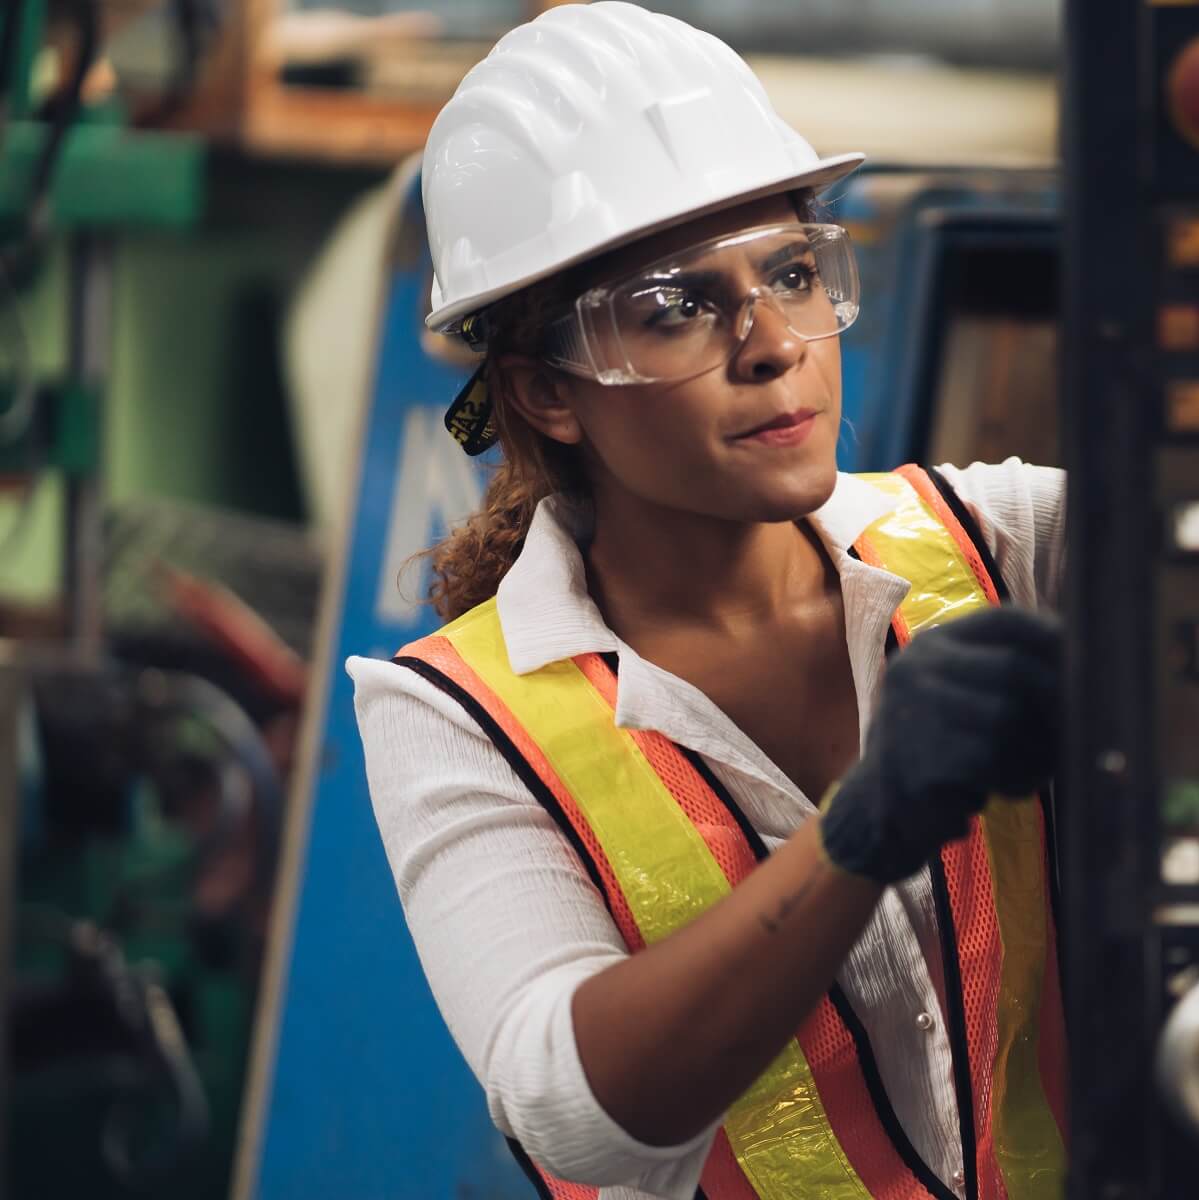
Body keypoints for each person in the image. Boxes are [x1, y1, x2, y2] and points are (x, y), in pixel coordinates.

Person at [348, 5, 1068, 1198]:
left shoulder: (1005, 543)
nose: (771, 343)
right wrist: (860, 833)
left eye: (791, 273)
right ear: (546, 390)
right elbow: (571, 1116)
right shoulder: (453, 717)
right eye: (676, 308)